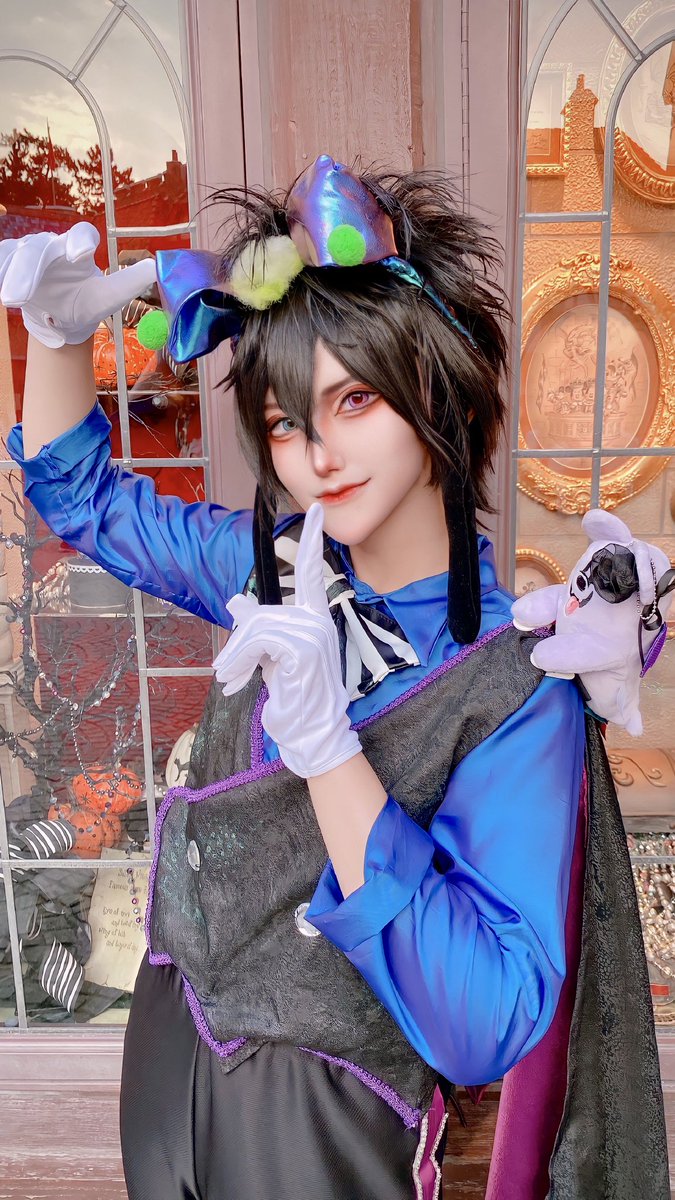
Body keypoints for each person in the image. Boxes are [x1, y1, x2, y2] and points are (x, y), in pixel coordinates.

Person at [0, 156, 668, 1200]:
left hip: (323, 1132)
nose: (316, 452)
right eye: (282, 421)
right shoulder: (264, 573)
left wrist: (327, 750)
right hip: (171, 1071)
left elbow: (485, 1020)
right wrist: (55, 337)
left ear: (438, 390)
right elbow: (84, 499)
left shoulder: (515, 681)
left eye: (354, 399)